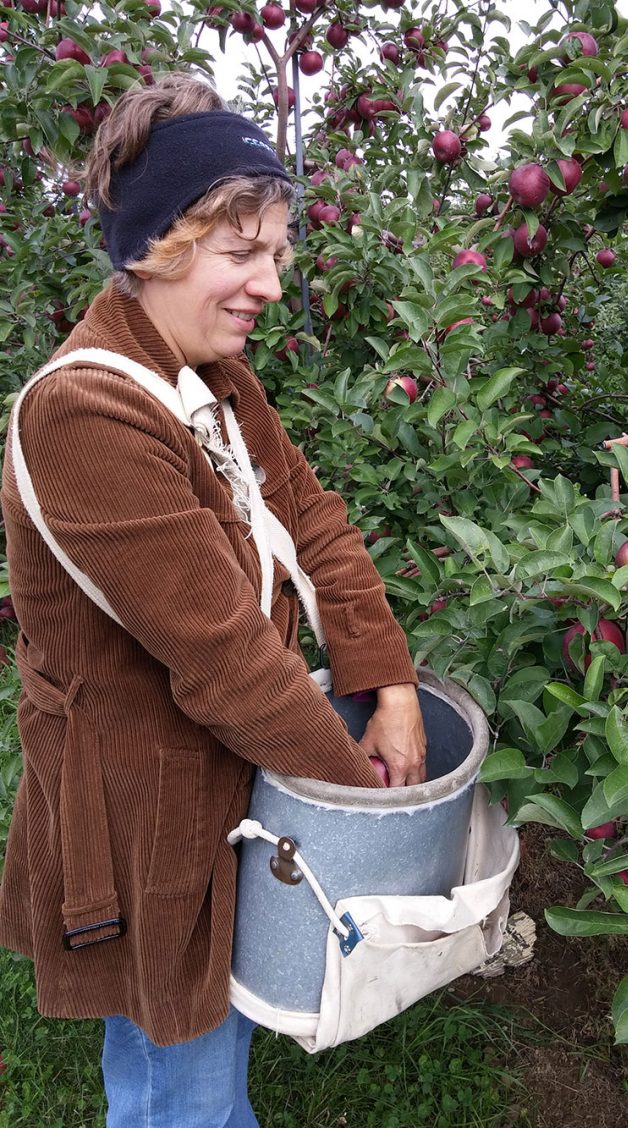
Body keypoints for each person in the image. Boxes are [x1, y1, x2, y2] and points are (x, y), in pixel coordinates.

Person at [0, 72, 426, 1126]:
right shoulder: (86, 413)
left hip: (228, 773)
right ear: (153, 248)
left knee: (199, 1052)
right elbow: (226, 657)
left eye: (277, 253)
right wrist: (360, 810)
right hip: (149, 809)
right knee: (176, 1077)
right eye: (242, 253)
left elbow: (312, 520)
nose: (271, 285)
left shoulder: (214, 380)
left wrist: (390, 678)